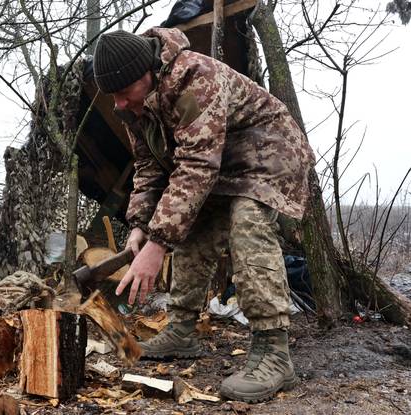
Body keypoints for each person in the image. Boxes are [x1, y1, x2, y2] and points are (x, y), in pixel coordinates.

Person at [92, 27, 315, 403]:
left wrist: (158, 244)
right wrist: (139, 226)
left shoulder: (195, 78)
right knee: (191, 231)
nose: (119, 104)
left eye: (123, 92)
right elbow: (148, 168)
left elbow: (195, 165)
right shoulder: (137, 107)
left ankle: (274, 353)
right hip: (220, 163)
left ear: (146, 72)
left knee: (248, 225)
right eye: (112, 95)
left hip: (269, 155)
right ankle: (181, 330)